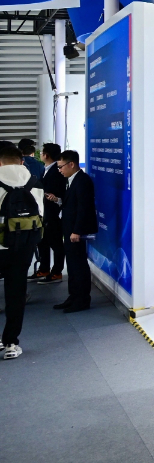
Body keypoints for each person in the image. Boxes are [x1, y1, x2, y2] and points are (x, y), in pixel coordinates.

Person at [1, 142, 43, 358]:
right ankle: (11, 342)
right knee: (16, 292)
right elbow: (40, 215)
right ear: (21, 160)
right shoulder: (34, 182)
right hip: (24, 246)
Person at [56, 150, 95, 313]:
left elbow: (84, 208)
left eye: (61, 166)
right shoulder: (72, 180)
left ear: (71, 164)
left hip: (76, 231)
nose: (60, 170)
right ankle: (73, 296)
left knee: (79, 266)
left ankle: (82, 299)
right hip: (69, 228)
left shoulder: (82, 181)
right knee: (72, 265)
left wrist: (77, 231)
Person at [34, 142, 66, 283]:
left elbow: (61, 193)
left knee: (56, 243)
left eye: (42, 152)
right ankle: (44, 269)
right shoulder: (46, 169)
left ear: (46, 155)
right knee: (43, 242)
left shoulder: (57, 172)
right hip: (44, 212)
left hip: (53, 213)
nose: (40, 155)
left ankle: (57, 272)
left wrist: (55, 198)